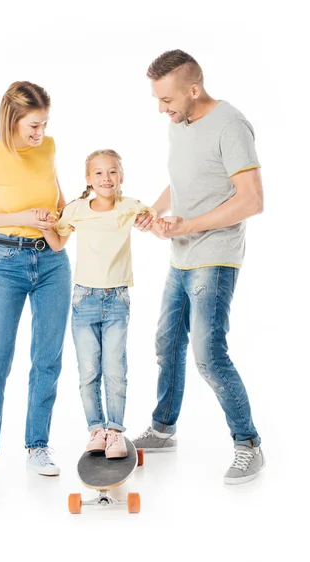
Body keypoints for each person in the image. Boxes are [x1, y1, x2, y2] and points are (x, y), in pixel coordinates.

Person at [133, 50, 265, 484]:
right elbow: (186, 176)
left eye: (167, 100)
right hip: (182, 253)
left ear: (194, 90)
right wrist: (155, 210)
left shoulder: (231, 125)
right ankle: (163, 429)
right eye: (157, 100)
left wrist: (189, 224)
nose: (161, 110)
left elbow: (251, 200)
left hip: (216, 255)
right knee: (167, 342)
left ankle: (248, 444)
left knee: (208, 356)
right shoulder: (181, 123)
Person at [0, 81, 71, 487]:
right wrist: (23, 215)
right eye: (33, 126)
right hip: (6, 260)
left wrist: (63, 221)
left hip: (53, 261)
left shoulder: (49, 147)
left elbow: (59, 201)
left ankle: (37, 444)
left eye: (44, 124)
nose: (40, 133)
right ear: (12, 119)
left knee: (47, 358)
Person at [40, 150, 156, 458]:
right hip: (84, 299)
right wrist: (43, 226)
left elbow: (152, 220)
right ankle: (96, 430)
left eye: (113, 172)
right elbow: (57, 242)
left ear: (121, 177)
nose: (106, 178)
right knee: (89, 370)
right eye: (99, 173)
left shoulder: (130, 207)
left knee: (115, 369)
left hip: (117, 299)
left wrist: (156, 219)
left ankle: (115, 431)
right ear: (89, 179)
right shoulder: (76, 209)